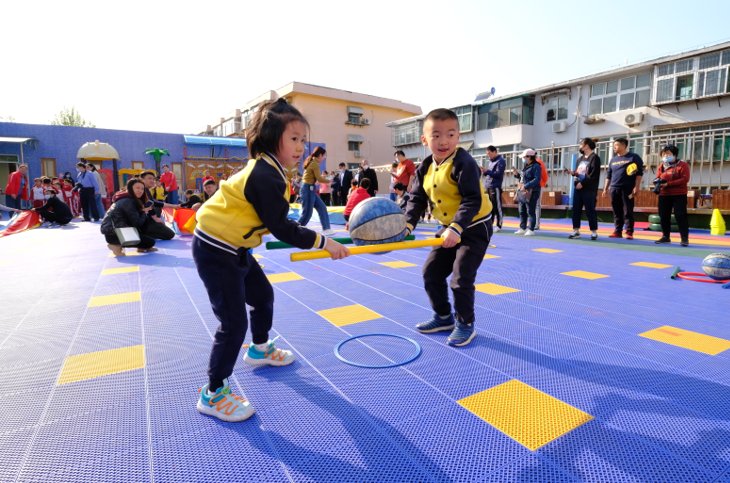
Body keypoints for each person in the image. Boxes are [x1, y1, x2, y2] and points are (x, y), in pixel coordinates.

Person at [193, 98, 349, 422]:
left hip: (236, 248)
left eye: (303, 140)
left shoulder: (274, 170)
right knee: (233, 323)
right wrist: (324, 242)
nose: (300, 147)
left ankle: (259, 348)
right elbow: (282, 228)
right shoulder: (265, 174)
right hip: (216, 248)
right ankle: (213, 392)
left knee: (262, 297)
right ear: (270, 137)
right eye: (293, 139)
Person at [404, 108, 493, 348]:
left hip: (474, 227)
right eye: (436, 135)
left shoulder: (464, 162)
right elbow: (416, 199)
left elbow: (472, 199)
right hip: (448, 229)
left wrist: (456, 227)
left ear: (458, 137)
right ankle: (443, 317)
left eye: (450, 134)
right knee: (431, 273)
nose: (444, 141)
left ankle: (465, 323)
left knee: (461, 278)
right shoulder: (424, 167)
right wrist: (407, 223)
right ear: (425, 139)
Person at [100, 178, 157, 256]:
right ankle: (115, 245)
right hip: (115, 234)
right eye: (137, 188)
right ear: (130, 188)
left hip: (114, 231)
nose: (140, 190)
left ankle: (140, 246)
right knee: (150, 242)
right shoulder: (128, 201)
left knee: (147, 241)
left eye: (142, 189)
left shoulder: (126, 198)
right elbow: (137, 223)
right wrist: (144, 212)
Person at [602, 137, 644, 239]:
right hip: (614, 189)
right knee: (616, 211)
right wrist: (605, 189)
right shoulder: (613, 160)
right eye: (614, 145)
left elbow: (639, 174)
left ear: (624, 145)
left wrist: (637, 187)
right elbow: (609, 176)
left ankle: (629, 232)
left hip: (628, 189)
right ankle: (617, 231)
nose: (614, 147)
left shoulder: (633, 157)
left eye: (616, 145)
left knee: (628, 210)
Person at [654, 144, 690, 246]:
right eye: (664, 154)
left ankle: (684, 238)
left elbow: (685, 179)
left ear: (674, 154)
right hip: (664, 194)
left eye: (668, 154)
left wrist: (668, 184)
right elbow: (658, 177)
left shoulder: (682, 165)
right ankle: (666, 236)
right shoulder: (661, 166)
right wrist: (657, 182)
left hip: (679, 194)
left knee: (680, 215)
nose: (665, 156)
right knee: (663, 216)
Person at [566, 138, 601, 240]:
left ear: (587, 145)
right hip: (578, 188)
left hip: (589, 189)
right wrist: (573, 174)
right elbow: (578, 173)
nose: (580, 146)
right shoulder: (579, 159)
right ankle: (576, 231)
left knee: (590, 210)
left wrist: (583, 183)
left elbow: (593, 175)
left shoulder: (595, 158)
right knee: (576, 209)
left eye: (581, 144)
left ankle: (594, 231)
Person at [298, 146, 334, 234]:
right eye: (324, 155)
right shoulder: (314, 164)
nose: (324, 157)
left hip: (310, 189)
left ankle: (326, 229)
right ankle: (295, 229)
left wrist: (325, 178)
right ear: (320, 155)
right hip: (307, 189)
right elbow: (319, 178)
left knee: (322, 207)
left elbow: (317, 178)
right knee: (307, 213)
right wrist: (329, 180)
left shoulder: (313, 162)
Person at [138, 171, 177, 240]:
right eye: (149, 178)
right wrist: (155, 218)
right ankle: (142, 233)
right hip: (139, 221)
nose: (152, 181)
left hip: (144, 217)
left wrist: (174, 206)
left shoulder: (147, 190)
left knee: (167, 230)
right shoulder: (141, 190)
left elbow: (152, 202)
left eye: (153, 179)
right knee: (170, 234)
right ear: (142, 180)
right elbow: (150, 203)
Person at [514, 149, 542, 236]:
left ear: (529, 157)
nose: (523, 158)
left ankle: (531, 229)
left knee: (531, 210)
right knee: (522, 210)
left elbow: (537, 179)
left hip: (533, 191)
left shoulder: (536, 166)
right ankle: (523, 227)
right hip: (523, 191)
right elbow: (523, 177)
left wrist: (526, 186)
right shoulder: (526, 166)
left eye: (524, 157)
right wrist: (517, 175)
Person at [482, 146, 506, 231]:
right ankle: (490, 224)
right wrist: (484, 172)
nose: (488, 155)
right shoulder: (490, 161)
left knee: (497, 207)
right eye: (487, 154)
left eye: (489, 153)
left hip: (495, 187)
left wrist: (487, 171)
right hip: (488, 186)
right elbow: (490, 174)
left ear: (495, 152)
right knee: (489, 207)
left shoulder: (501, 161)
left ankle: (499, 225)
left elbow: (499, 174)